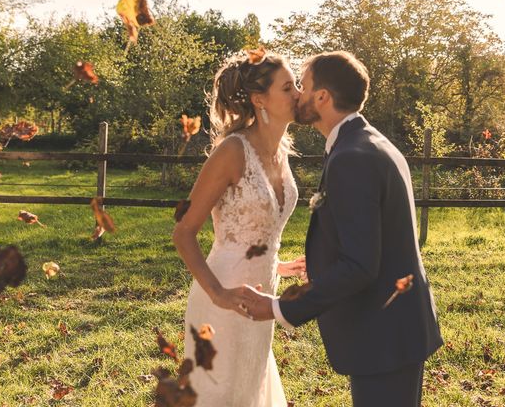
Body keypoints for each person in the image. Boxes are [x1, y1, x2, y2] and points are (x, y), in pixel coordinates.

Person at [243, 51, 443, 407]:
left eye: (302, 85)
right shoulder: (367, 142)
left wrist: (279, 308)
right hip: (396, 327)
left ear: (323, 97)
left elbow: (360, 265)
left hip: (383, 335)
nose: (297, 95)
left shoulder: (352, 156)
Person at [172, 50, 305, 406]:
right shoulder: (232, 151)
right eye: (288, 87)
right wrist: (218, 293)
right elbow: (184, 232)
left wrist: (276, 263)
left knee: (249, 386)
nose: (298, 94)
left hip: (263, 297)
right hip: (223, 299)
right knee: (221, 393)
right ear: (260, 99)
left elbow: (254, 227)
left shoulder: (282, 151)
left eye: (297, 85)